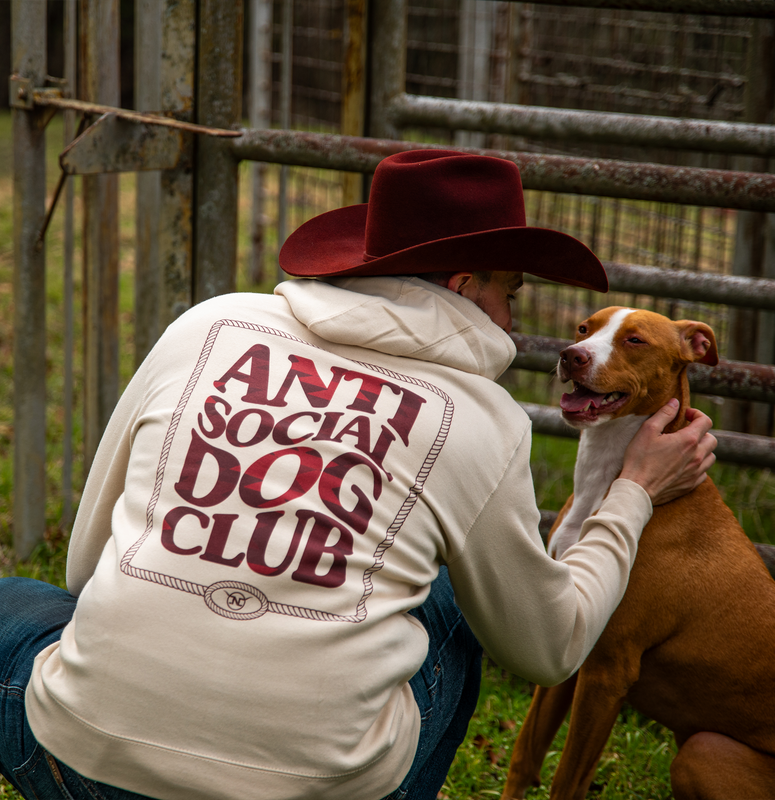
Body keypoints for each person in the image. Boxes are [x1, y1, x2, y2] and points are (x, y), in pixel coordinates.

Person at [0, 149, 716, 800]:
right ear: (466, 288)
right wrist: (635, 492)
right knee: (453, 597)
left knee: (14, 605)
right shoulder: (479, 416)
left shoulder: (209, 325)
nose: (511, 320)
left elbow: (84, 570)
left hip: (81, 765)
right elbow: (550, 649)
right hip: (318, 787)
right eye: (512, 295)